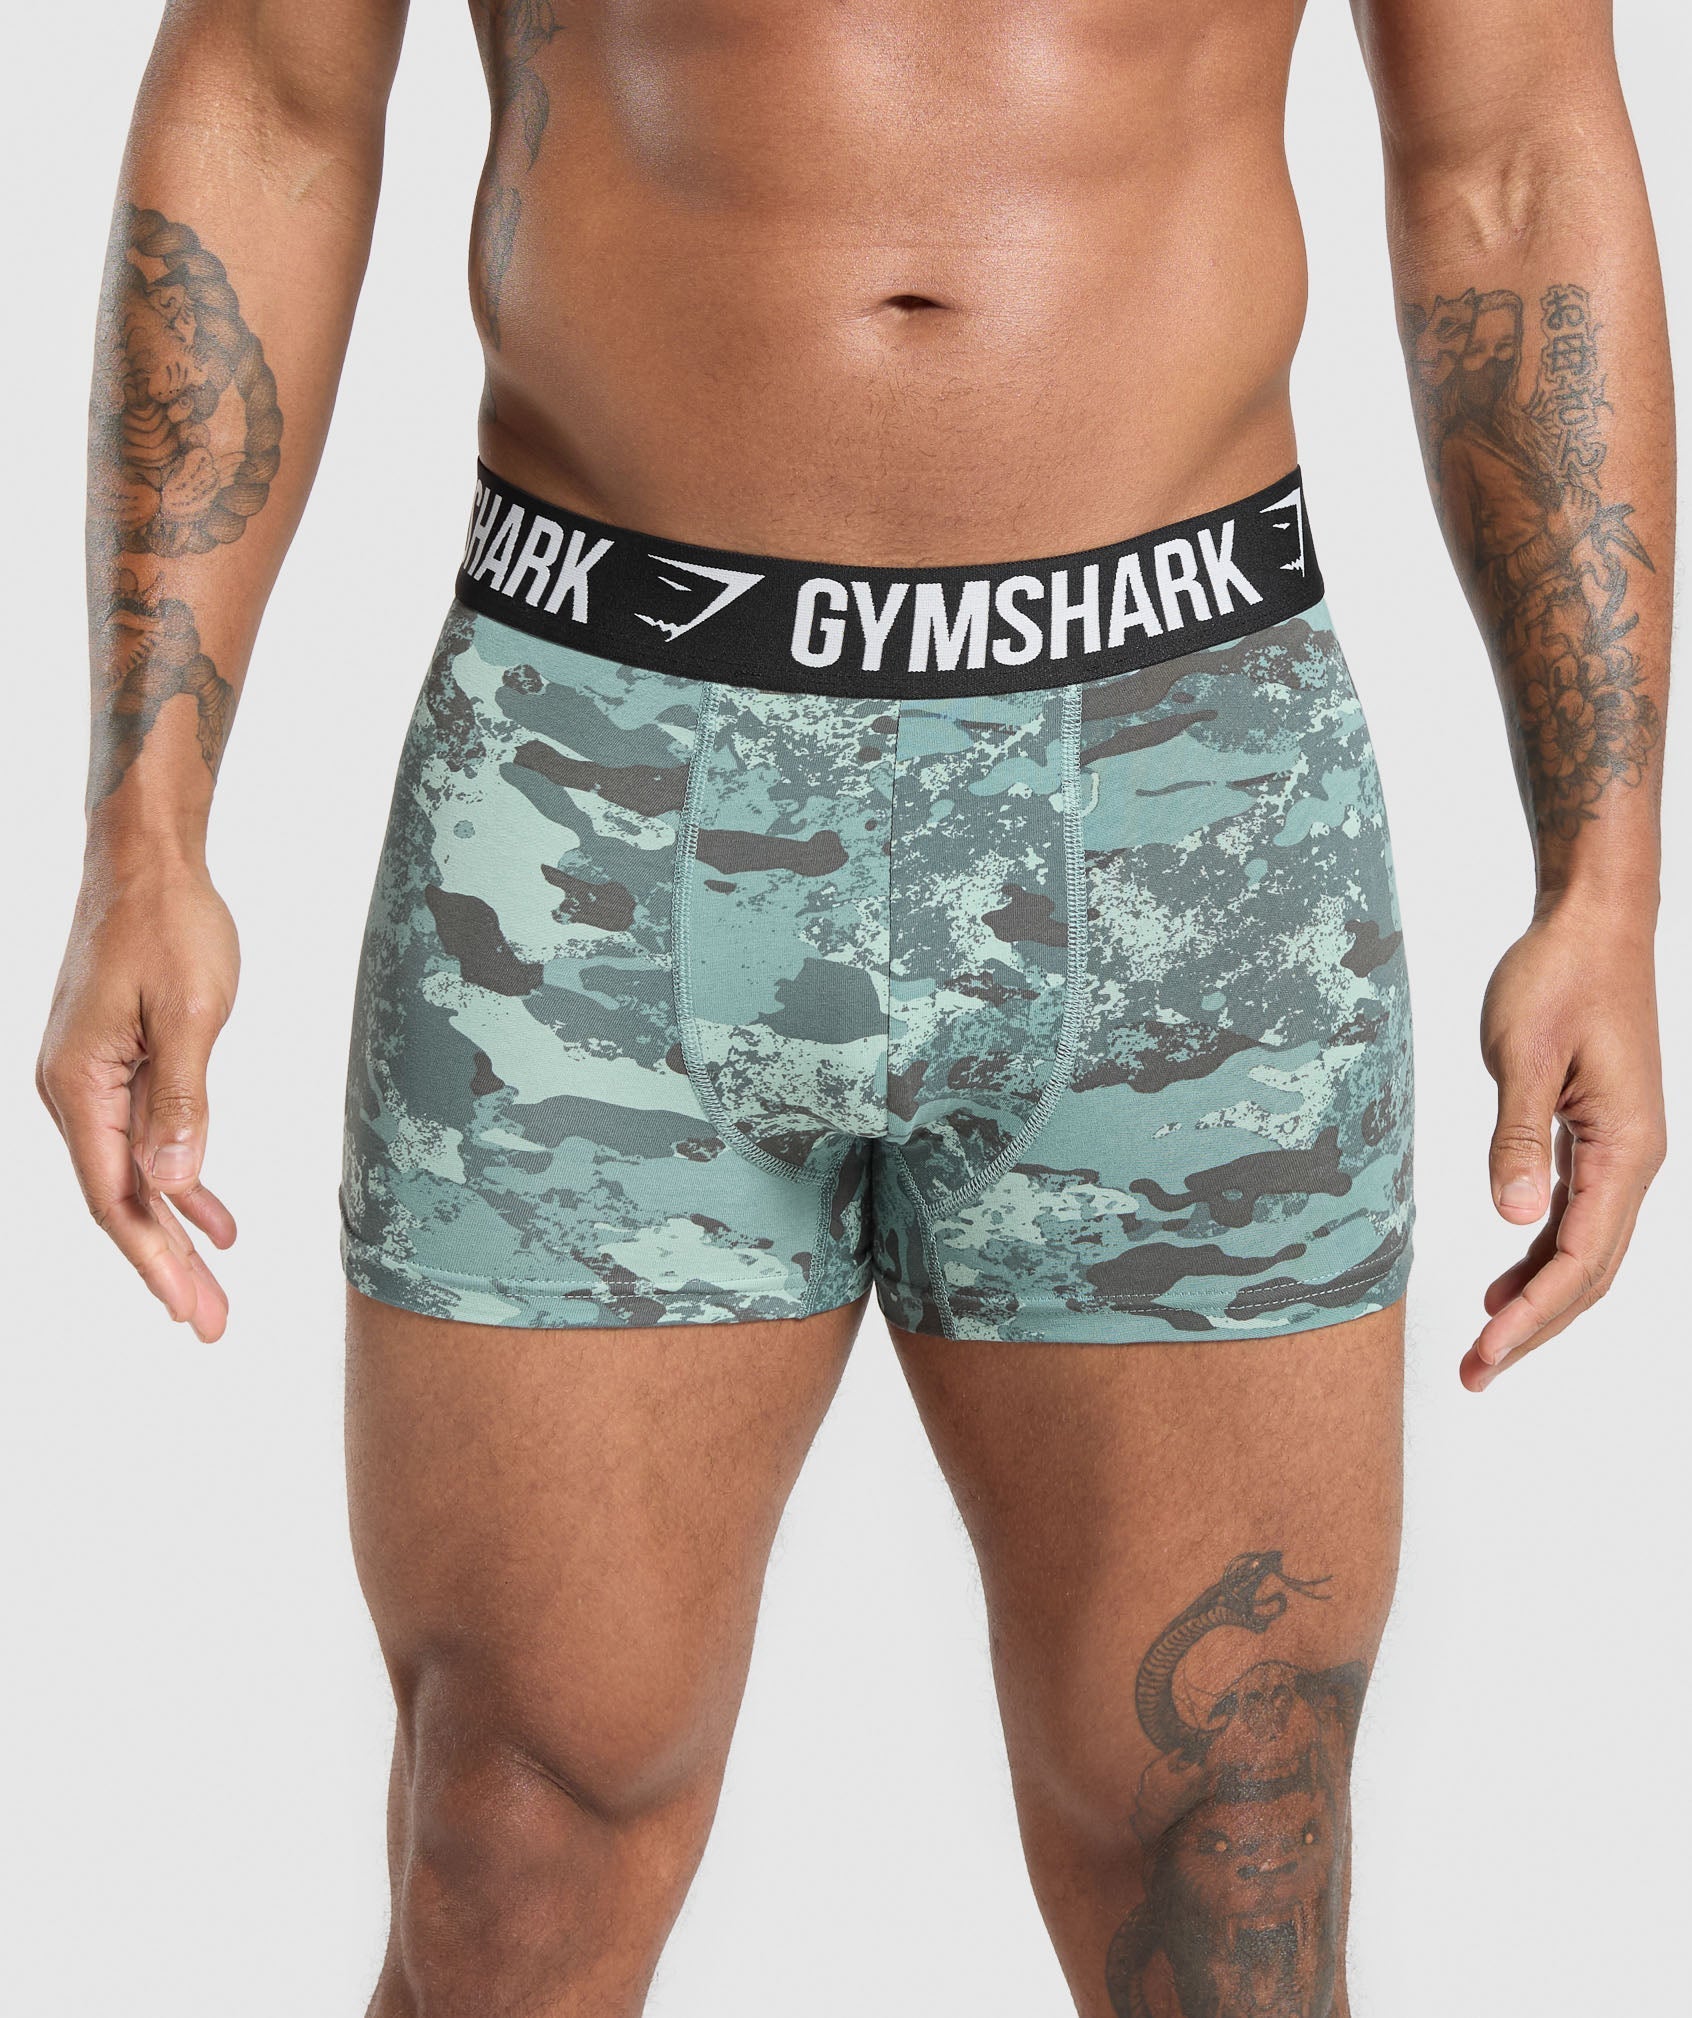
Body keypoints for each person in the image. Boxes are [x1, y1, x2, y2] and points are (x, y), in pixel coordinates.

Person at [36, 2, 1670, 2013]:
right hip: (596, 762)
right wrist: (144, 824)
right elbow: (269, 103)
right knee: (513, 1834)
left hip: (1182, 777)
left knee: (1232, 1858)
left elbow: (1511, 159)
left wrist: (1604, 882)